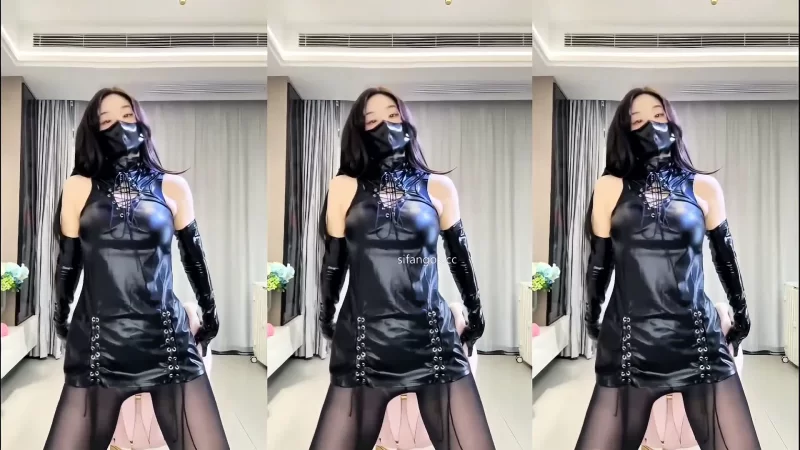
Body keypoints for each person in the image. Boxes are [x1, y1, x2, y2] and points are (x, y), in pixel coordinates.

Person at [309, 87, 496, 450]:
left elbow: (459, 257)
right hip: (364, 342)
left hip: (432, 339)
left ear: (408, 124)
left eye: (393, 116)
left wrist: (476, 314)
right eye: (372, 120)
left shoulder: (439, 187)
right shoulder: (343, 187)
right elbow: (334, 265)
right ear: (358, 132)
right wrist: (325, 316)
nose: (385, 126)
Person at [44, 87, 229, 450]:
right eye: (106, 120)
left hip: (166, 339)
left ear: (142, 124)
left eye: (127, 116)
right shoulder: (78, 187)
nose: (119, 126)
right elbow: (68, 264)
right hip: (98, 342)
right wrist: (60, 316)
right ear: (93, 132)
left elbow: (194, 258)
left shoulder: (173, 187)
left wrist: (210, 313)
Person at [576, 87, 760, 450]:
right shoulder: (609, 188)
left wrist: (742, 316)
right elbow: (599, 266)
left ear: (673, 124)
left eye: (658, 116)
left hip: (698, 340)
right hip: (630, 342)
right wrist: (591, 318)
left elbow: (726, 259)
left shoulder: (704, 188)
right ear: (624, 132)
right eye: (638, 120)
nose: (651, 126)